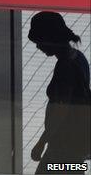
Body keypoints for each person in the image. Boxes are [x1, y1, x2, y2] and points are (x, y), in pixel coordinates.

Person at [28, 11, 91, 175]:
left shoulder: (65, 67)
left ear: (50, 38)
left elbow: (60, 111)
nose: (38, 46)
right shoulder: (79, 58)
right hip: (74, 147)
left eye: (39, 41)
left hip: (63, 148)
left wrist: (41, 143)